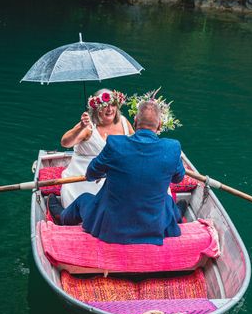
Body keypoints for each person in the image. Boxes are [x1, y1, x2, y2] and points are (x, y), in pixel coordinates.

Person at [49, 100, 185, 245]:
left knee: (83, 200)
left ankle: (62, 216)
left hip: (113, 228)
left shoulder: (115, 144)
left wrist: (110, 170)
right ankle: (176, 215)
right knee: (168, 201)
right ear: (159, 125)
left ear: (135, 121)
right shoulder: (173, 147)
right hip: (155, 226)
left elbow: (91, 174)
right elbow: (178, 178)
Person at [59, 88, 134, 207]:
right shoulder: (88, 126)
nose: (110, 109)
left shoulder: (123, 122)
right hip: (86, 177)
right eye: (105, 106)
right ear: (97, 108)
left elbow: (136, 146)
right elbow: (65, 143)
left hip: (115, 175)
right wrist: (81, 127)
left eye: (113, 105)